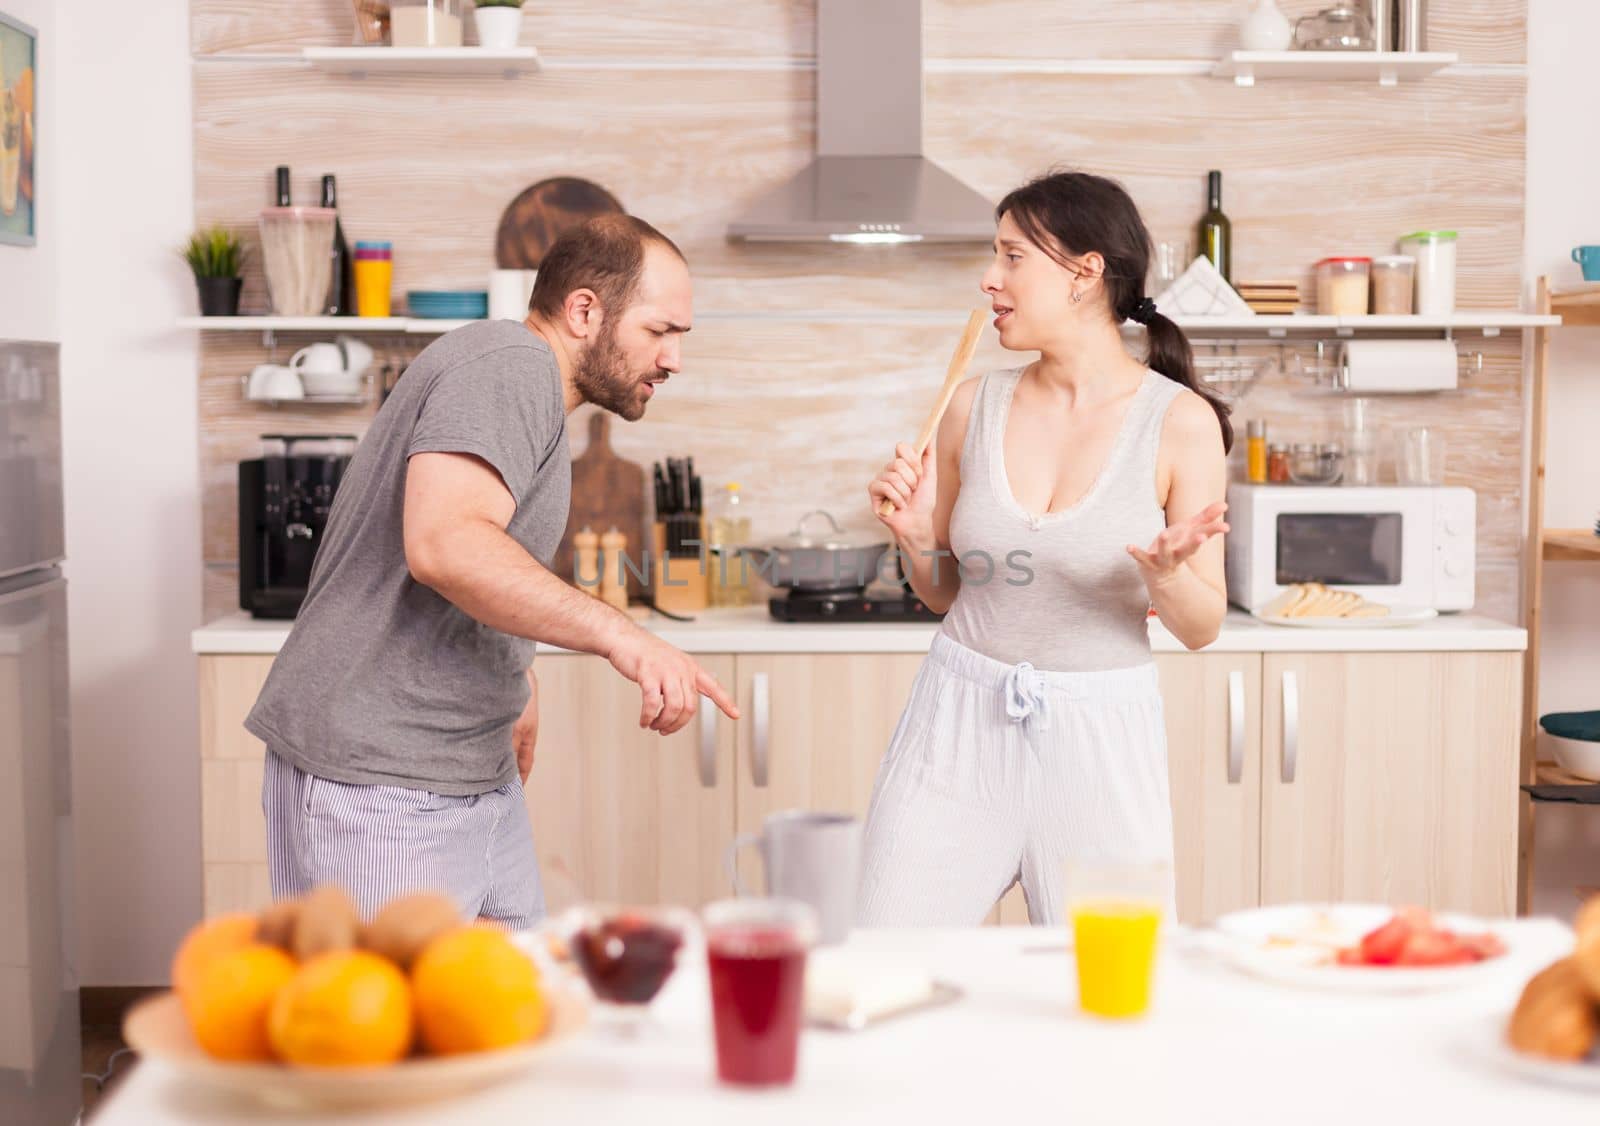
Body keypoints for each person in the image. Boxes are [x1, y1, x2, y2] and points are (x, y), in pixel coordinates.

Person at [247, 214, 739, 929]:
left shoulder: (523, 382)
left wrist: (517, 671)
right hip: (381, 781)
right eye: (660, 331)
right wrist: (621, 634)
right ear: (584, 311)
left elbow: (482, 561)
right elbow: (445, 543)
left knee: (508, 1018)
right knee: (387, 1034)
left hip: (465, 772)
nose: (673, 359)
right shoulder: (509, 365)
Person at [858, 170, 1231, 925]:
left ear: (1085, 273)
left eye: (1012, 257)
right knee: (888, 957)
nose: (990, 280)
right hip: (956, 723)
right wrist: (915, 537)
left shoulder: (1180, 423)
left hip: (1100, 739)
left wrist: (1166, 577)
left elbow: (1201, 626)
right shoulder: (972, 404)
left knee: (1110, 998)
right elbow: (946, 594)